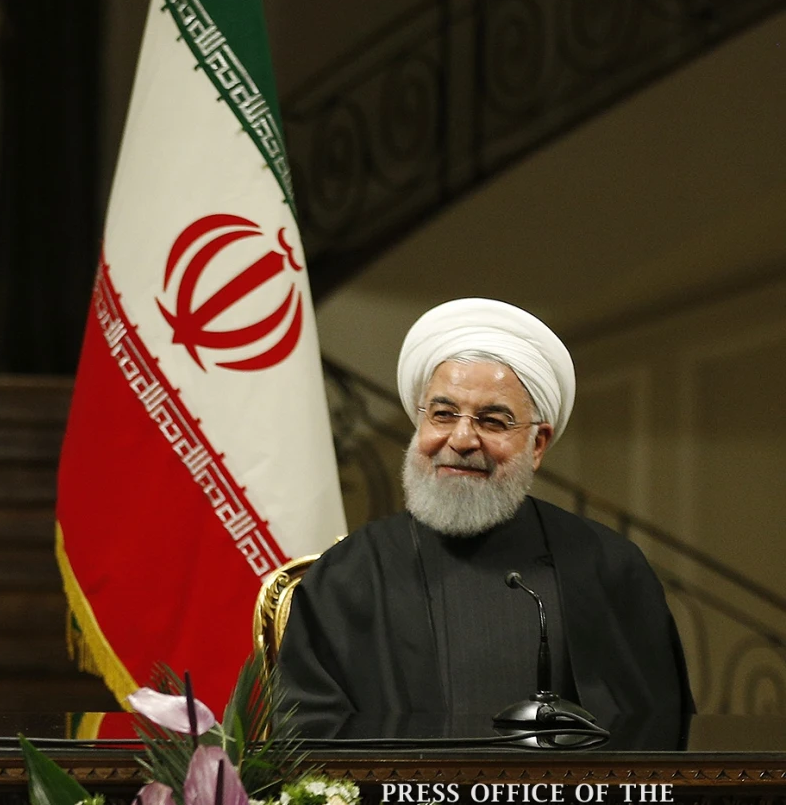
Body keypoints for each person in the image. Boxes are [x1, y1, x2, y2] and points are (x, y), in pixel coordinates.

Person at [277, 298, 691, 723]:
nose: (461, 439)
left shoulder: (607, 568)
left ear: (538, 444)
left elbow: (652, 735)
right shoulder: (349, 573)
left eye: (492, 421)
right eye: (443, 414)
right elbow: (307, 738)